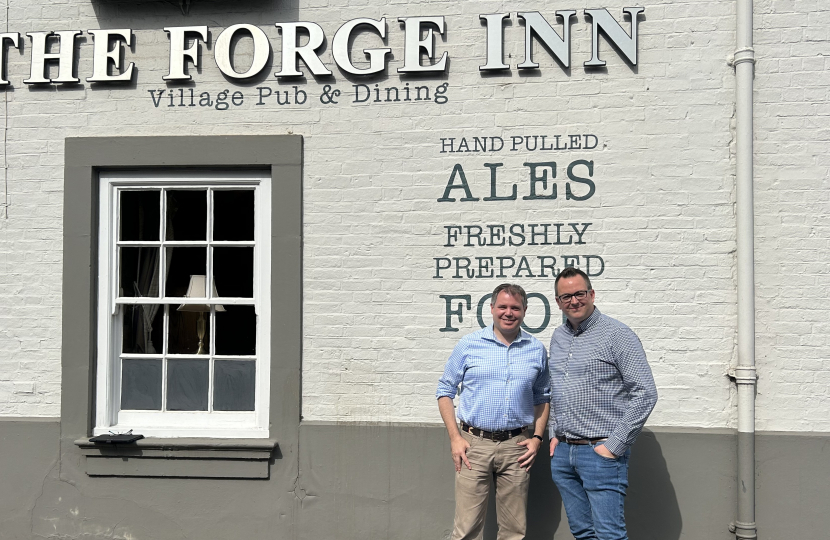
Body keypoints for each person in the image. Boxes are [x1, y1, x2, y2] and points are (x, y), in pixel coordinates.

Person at [547, 267, 658, 540]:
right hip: (563, 453)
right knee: (583, 533)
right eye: (565, 297)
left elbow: (645, 392)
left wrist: (614, 446)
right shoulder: (558, 337)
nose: (573, 301)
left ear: (592, 294)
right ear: (558, 302)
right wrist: (553, 433)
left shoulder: (617, 334)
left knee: (609, 535)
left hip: (599, 452)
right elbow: (556, 388)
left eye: (579, 293)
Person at [436, 283, 550, 540]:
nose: (508, 312)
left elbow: (542, 397)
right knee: (466, 529)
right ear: (492, 308)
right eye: (503, 307)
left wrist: (537, 438)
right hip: (473, 445)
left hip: (517, 447)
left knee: (514, 531)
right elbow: (445, 391)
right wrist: (455, 438)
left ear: (524, 310)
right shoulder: (469, 345)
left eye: (515, 307)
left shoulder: (536, 349)